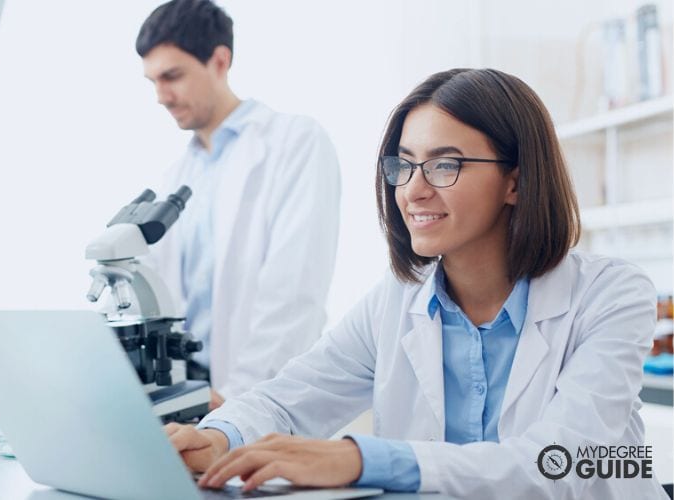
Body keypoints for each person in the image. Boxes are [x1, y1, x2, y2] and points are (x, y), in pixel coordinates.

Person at [165, 68, 667, 499]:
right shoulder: (395, 300)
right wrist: (219, 438)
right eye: (402, 165)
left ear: (515, 181)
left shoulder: (610, 295)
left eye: (445, 164)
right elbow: (286, 398)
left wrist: (363, 460)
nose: (413, 189)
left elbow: (559, 464)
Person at [135, 0, 341, 408]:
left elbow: (294, 293)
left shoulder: (294, 143)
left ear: (219, 60)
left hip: (254, 393)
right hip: (187, 393)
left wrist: (238, 399)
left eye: (172, 76)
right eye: (152, 81)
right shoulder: (177, 175)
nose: (161, 95)